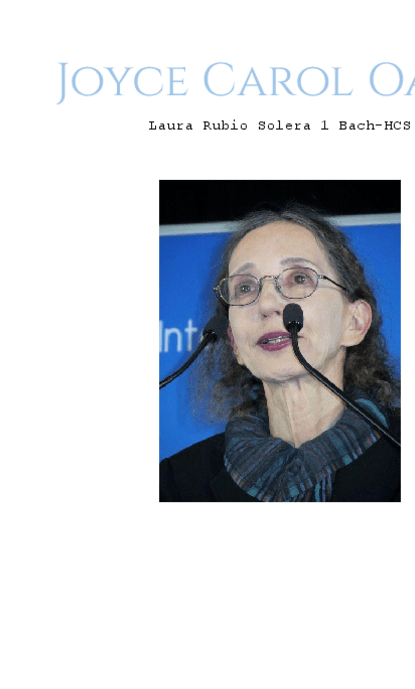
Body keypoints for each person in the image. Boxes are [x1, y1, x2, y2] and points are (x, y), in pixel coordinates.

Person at [159, 203, 400, 502]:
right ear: (234, 342)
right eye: (245, 288)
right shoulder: (174, 484)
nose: (266, 304)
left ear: (355, 322)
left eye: (299, 278)